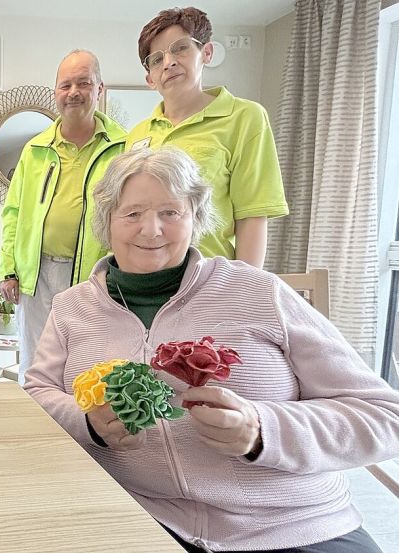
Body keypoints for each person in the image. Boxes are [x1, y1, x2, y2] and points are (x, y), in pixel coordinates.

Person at [24, 147, 399, 553]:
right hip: (144, 520)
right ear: (106, 221)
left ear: (196, 216)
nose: (151, 230)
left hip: (293, 525)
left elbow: (384, 417)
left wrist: (262, 428)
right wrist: (89, 425)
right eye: (132, 214)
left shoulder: (259, 292)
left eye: (170, 212)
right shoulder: (72, 308)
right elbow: (37, 394)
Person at [0, 50, 126, 383]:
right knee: (36, 361)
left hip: (95, 275)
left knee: (87, 360)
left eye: (83, 82)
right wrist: (8, 270)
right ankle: (37, 427)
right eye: (65, 84)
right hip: (36, 274)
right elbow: (13, 212)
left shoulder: (124, 148)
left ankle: (80, 429)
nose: (74, 92)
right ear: (55, 92)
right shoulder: (35, 149)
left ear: (100, 88)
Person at [127, 6, 288, 267]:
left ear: (207, 53)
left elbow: (253, 216)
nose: (169, 62)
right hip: (146, 278)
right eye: (157, 59)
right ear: (150, 78)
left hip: (209, 280)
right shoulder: (138, 135)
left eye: (180, 48)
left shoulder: (244, 118)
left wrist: (243, 290)